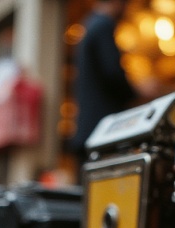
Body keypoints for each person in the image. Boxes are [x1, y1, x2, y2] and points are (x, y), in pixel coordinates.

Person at [71, 0, 139, 166]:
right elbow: (113, 73)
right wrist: (137, 92)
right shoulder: (103, 25)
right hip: (102, 129)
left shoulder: (90, 24)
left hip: (89, 129)